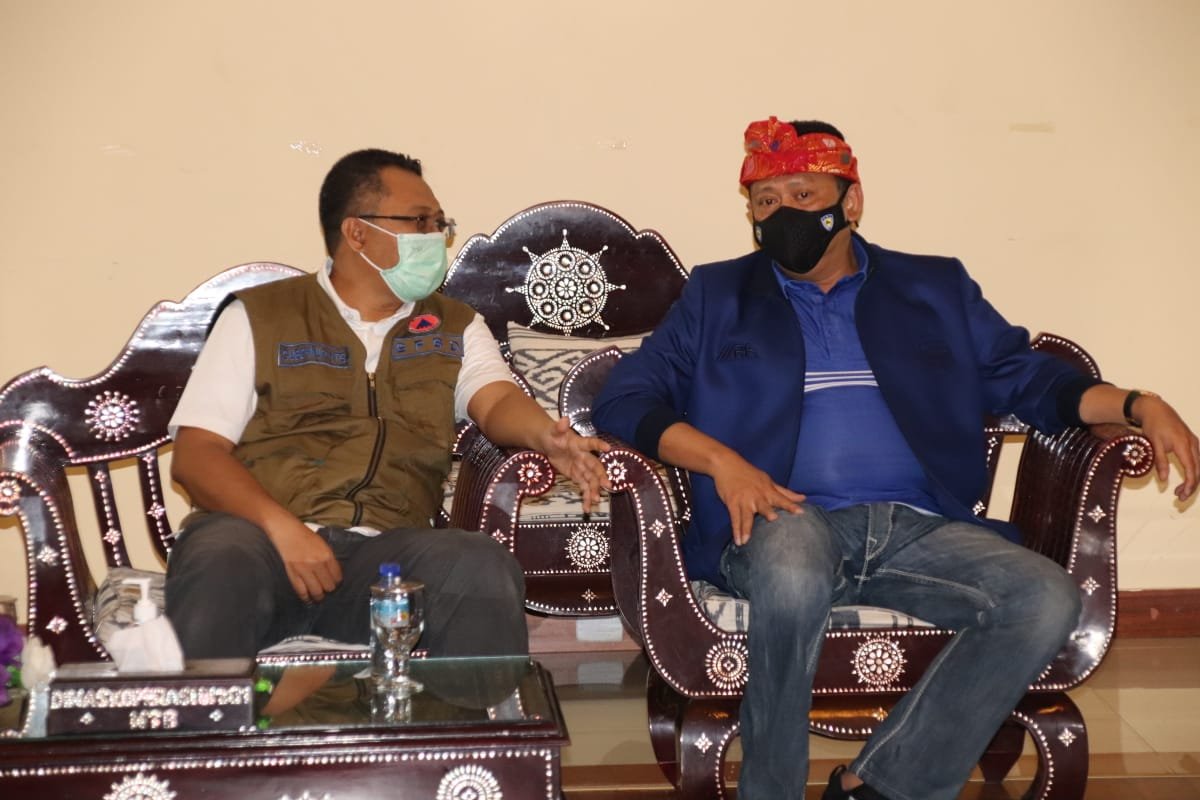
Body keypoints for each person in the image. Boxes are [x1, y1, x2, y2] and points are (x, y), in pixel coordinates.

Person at [591, 117, 1199, 800]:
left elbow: (1030, 379)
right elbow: (624, 399)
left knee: (1043, 598)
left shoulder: (933, 288)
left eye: (803, 194)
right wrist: (721, 461)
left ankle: (877, 785)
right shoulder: (718, 295)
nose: (783, 213)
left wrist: (1140, 404)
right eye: (766, 201)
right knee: (792, 567)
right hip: (783, 519)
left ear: (850, 201)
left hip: (918, 526)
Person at [165, 148, 610, 660]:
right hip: (259, 542)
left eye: (440, 223)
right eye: (420, 221)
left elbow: (496, 399)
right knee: (219, 558)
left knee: (478, 565)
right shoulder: (261, 316)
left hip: (385, 559)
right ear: (357, 233)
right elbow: (197, 456)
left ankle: (481, 715)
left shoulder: (454, 325)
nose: (436, 236)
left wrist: (545, 435)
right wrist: (282, 530)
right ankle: (205, 713)